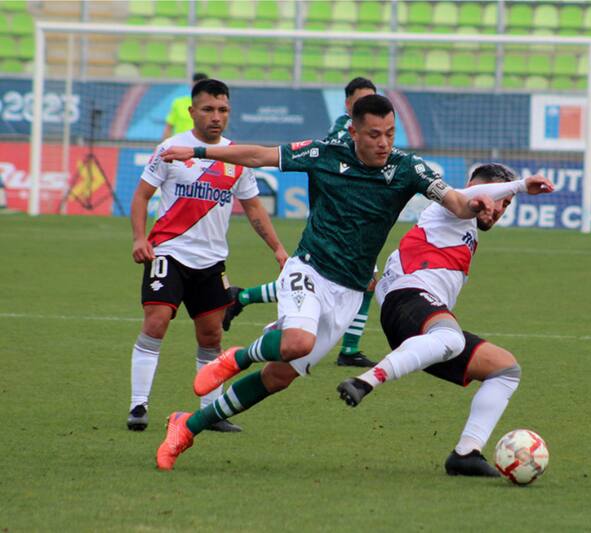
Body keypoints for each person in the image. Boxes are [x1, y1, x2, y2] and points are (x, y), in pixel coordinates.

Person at [154, 94, 497, 470]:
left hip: (349, 293)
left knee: (279, 376)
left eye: (389, 133)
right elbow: (259, 156)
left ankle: (187, 426)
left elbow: (454, 201)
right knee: (298, 343)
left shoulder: (407, 168)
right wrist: (199, 151)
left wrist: (473, 206)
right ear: (354, 131)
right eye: (373, 135)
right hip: (309, 268)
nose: (383, 143)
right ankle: (237, 356)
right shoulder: (324, 153)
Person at [336, 164, 554, 477]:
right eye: (498, 197)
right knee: (452, 338)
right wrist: (518, 186)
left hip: (421, 328)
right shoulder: (450, 207)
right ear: (472, 187)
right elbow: (467, 199)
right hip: (408, 300)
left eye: (506, 204)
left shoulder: (467, 229)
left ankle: (466, 453)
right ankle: (364, 381)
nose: (498, 208)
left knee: (505, 370)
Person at [127, 79, 288, 432]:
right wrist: (140, 238)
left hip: (212, 261)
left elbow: (254, 209)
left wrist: (277, 248)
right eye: (208, 109)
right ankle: (138, 404)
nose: (216, 117)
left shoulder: (235, 157)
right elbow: (140, 196)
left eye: (223, 110)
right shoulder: (171, 148)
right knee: (156, 323)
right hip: (168, 252)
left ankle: (210, 412)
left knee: (212, 337)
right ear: (192, 112)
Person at [223, 77, 380, 368]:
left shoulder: (371, 136)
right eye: (361, 101)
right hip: (336, 223)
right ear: (348, 104)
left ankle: (242, 297)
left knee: (362, 281)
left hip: (356, 225)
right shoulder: (342, 132)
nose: (367, 106)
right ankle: (348, 348)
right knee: (327, 281)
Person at [162, 72, 209, 140]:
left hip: (202, 145)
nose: (199, 88)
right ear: (192, 85)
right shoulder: (178, 103)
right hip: (180, 145)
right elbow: (169, 127)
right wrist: (165, 145)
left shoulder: (213, 105)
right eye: (196, 85)